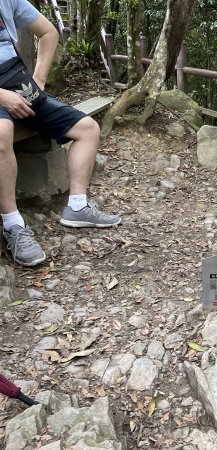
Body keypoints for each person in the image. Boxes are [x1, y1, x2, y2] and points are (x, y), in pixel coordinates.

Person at [0, 0, 121, 267]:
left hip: (17, 83)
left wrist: (38, 81)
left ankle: (77, 206)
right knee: (2, 131)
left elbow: (48, 32)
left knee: (88, 128)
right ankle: (13, 225)